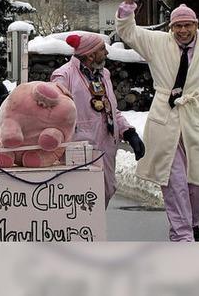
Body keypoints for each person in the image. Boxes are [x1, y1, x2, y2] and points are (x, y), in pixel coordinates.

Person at [115, 0, 199, 241]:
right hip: (166, 119)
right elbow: (129, 33)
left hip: (195, 119)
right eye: (178, 26)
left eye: (187, 25)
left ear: (195, 25)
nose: (182, 30)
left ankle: (192, 222)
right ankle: (182, 235)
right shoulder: (158, 43)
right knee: (174, 184)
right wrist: (128, 3)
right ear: (171, 27)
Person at [50, 33, 145, 207]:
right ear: (90, 54)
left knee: (106, 192)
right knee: (81, 200)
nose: (107, 53)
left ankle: (93, 234)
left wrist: (129, 132)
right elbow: (55, 113)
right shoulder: (64, 75)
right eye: (102, 49)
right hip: (79, 148)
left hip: (107, 146)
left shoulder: (104, 74)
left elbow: (110, 108)